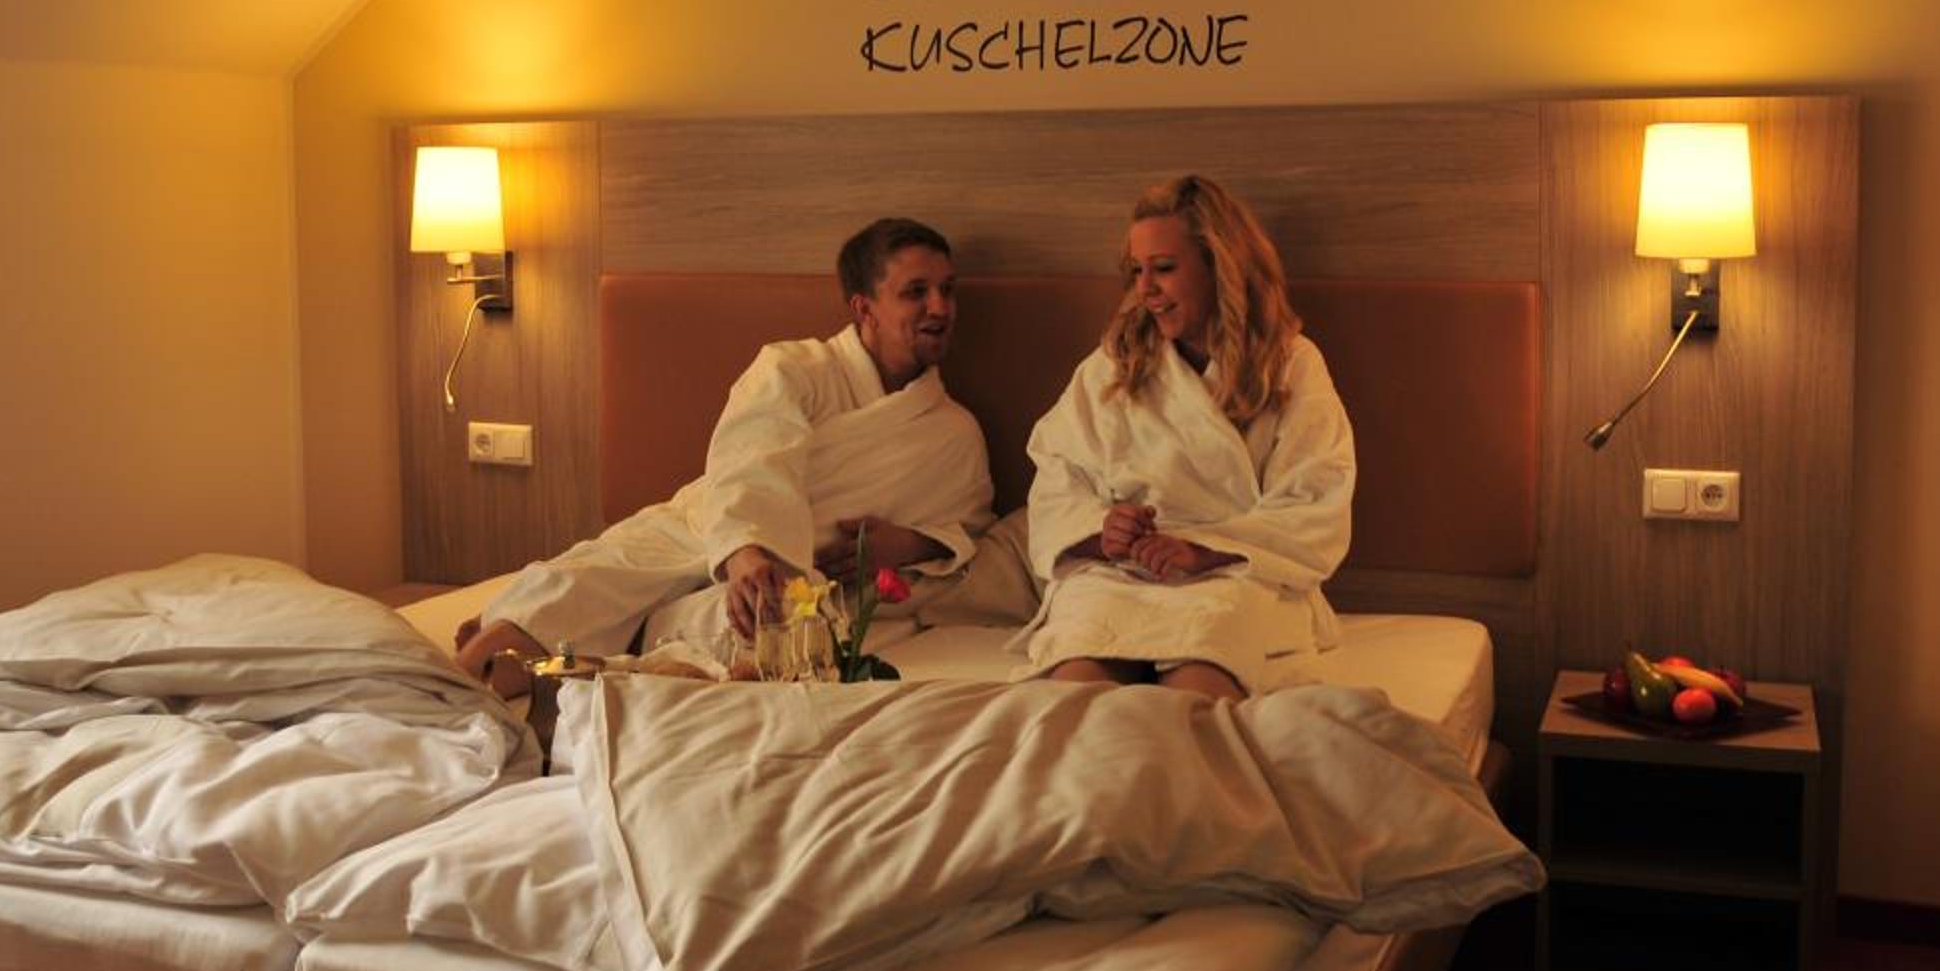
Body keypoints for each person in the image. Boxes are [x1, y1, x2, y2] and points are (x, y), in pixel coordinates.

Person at [453, 217, 993, 698]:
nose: (940, 308)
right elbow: (750, 459)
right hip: (705, 528)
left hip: (802, 584)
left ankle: (617, 672)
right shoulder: (793, 368)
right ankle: (452, 697)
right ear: (863, 307)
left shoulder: (953, 432)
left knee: (743, 628)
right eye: (916, 292)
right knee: (574, 588)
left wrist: (910, 544)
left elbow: (969, 527)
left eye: (947, 290)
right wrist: (745, 551)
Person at [1020, 174, 1354, 699]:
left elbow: (1315, 502)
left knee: (1193, 692)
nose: (1145, 289)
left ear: (1220, 267)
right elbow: (1056, 480)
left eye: (1164, 269)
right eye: (1137, 271)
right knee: (1073, 695)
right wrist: (1102, 530)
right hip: (1120, 576)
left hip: (1237, 575)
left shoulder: (1290, 365)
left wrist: (1203, 551)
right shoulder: (1113, 364)